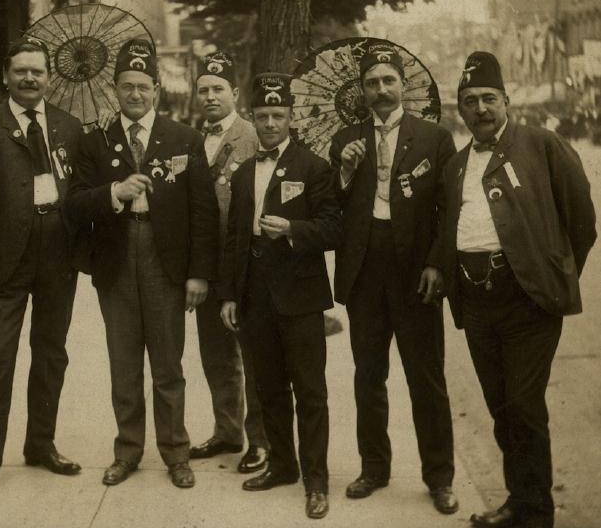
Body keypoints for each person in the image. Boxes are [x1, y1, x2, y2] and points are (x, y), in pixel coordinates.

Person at [443, 51, 596, 528]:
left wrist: (551, 271)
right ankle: (519, 500)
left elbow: (582, 221)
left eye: (489, 98)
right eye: (470, 101)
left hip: (527, 298)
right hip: (476, 299)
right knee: (500, 405)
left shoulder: (542, 145)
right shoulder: (456, 165)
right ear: (460, 109)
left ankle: (537, 512)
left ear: (507, 100)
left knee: (523, 406)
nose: (481, 109)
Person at [67, 38, 219, 489]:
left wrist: (198, 273)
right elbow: (73, 204)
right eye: (126, 86)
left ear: (156, 89)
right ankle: (128, 451)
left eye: (143, 86)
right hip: (116, 257)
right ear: (115, 89)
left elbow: (204, 212)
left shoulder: (183, 138)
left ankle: (175, 451)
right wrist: (114, 193)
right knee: (124, 361)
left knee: (168, 362)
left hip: (165, 256)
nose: (135, 94)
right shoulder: (96, 140)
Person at [328, 41, 458, 514]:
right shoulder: (346, 140)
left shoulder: (434, 138)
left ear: (403, 85)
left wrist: (436, 263)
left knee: (426, 377)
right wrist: (344, 173)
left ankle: (439, 476)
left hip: (414, 272)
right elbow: (333, 212)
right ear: (361, 91)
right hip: (366, 271)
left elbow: (448, 211)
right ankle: (374, 468)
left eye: (388, 81)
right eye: (371, 84)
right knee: (369, 375)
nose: (381, 90)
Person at [0, 37, 84, 505]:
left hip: (58, 259)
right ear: (6, 76)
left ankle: (41, 444)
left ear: (50, 77)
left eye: (38, 72)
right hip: (4, 262)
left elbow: (84, 192)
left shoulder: (70, 127)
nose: (30, 79)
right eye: (21, 72)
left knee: (52, 355)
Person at [218, 72, 340, 519]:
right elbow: (233, 238)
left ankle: (317, 480)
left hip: (301, 296)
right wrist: (229, 295)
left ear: (291, 118)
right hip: (254, 295)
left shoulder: (314, 167)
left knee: (309, 391)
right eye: (263, 116)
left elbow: (333, 228)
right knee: (268, 387)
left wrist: (294, 230)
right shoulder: (246, 170)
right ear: (253, 117)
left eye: (278, 115)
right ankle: (283, 466)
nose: (270, 124)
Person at [188, 50, 269, 474]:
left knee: (252, 354)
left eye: (218, 89)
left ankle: (261, 439)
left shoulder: (254, 136)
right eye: (203, 90)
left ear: (234, 92)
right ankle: (227, 430)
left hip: (244, 264)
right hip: (205, 265)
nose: (210, 96)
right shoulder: (189, 139)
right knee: (214, 352)